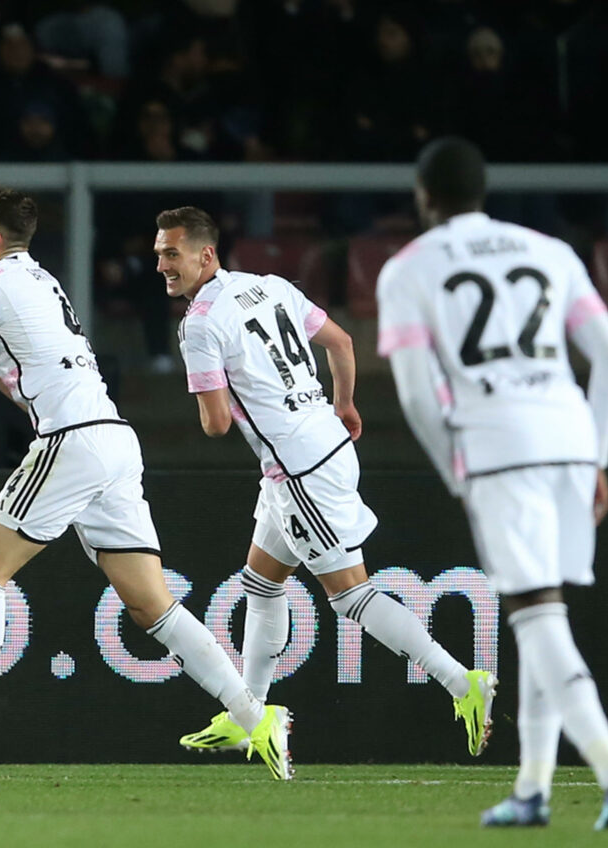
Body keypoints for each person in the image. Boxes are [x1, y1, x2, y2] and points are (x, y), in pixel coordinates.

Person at [0, 183, 292, 778]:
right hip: (112, 438)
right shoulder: (37, 279)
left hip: (70, 438)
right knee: (151, 605)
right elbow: (16, 379)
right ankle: (255, 716)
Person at [153, 205, 497, 760]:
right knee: (260, 583)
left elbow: (215, 425)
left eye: (172, 253)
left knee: (351, 596)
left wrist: (217, 396)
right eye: (159, 255)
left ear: (205, 254)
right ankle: (251, 711)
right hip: (316, 450)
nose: (163, 265)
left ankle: (462, 682)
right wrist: (344, 403)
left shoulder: (199, 325)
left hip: (301, 470)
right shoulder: (270, 286)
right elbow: (341, 342)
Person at [377, 137, 608, 830]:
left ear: (424, 196)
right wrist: (597, 458)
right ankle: (532, 790)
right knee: (542, 612)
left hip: (498, 446)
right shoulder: (549, 251)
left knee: (536, 615)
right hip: (568, 438)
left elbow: (413, 394)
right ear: (483, 191)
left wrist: (456, 468)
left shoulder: (408, 269)